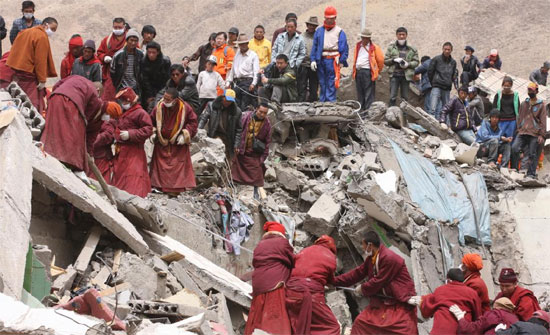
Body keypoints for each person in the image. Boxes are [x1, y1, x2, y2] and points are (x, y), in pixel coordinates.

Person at [333, 231, 417, 334]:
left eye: (363, 245)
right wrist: (334, 282)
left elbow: (379, 281)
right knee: (361, 322)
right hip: (384, 302)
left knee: (404, 329)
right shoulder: (372, 259)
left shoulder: (389, 257)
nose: (363, 248)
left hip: (399, 302)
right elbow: (357, 273)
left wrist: (362, 289)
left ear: (370, 245)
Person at [41, 75, 104, 174]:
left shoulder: (76, 77)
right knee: (72, 138)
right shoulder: (96, 97)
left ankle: (48, 153)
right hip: (72, 103)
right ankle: (69, 164)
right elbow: (85, 120)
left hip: (55, 98)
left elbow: (57, 84)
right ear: (98, 91)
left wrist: (57, 95)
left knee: (53, 129)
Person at [244, 221, 294, 335]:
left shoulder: (260, 245)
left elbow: (256, 263)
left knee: (258, 315)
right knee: (273, 316)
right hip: (274, 283)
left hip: (258, 284)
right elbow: (292, 261)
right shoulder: (283, 243)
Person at [285, 235, 340, 335]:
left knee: (295, 322)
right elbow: (330, 280)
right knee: (332, 327)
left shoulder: (304, 250)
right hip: (310, 294)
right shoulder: (330, 257)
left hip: (290, 291)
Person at [150, 87, 198, 195]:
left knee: (177, 166)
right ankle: (158, 187)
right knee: (160, 167)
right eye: (164, 98)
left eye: (168, 100)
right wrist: (153, 133)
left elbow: (193, 123)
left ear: (175, 100)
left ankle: (175, 190)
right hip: (161, 142)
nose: (165, 101)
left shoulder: (185, 108)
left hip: (178, 143)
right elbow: (151, 120)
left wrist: (185, 135)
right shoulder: (159, 106)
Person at [108, 87, 153, 198]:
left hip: (134, 151)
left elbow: (148, 129)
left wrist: (131, 134)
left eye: (125, 101)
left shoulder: (140, 113)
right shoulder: (126, 112)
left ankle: (134, 197)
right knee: (122, 174)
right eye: (122, 101)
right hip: (122, 150)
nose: (123, 103)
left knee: (133, 175)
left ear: (130, 101)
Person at [6, 17, 57, 113]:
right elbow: (40, 60)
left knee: (18, 100)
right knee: (31, 103)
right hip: (29, 75)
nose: (52, 32)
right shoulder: (41, 36)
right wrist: (42, 80)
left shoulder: (25, 32)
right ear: (46, 25)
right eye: (52, 29)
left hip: (18, 72)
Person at [419, 268, 482, 335]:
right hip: (462, 331)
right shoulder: (472, 293)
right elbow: (477, 316)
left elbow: (427, 308)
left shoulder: (440, 290)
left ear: (448, 280)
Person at [231, 102, 271, 199]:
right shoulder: (246, 117)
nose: (262, 115)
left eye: (265, 113)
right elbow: (238, 131)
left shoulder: (267, 124)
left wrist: (263, 158)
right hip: (241, 150)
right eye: (261, 112)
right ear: (256, 109)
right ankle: (233, 188)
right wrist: (236, 145)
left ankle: (255, 191)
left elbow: (268, 141)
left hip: (254, 153)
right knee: (234, 169)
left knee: (257, 173)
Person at [310, 6, 349, 102]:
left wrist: (342, 60)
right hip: (321, 59)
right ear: (325, 18)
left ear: (335, 18)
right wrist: (313, 60)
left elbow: (344, 48)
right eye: (328, 18)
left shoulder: (339, 32)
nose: (329, 21)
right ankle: (322, 100)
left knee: (331, 81)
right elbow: (314, 47)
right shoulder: (319, 31)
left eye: (331, 18)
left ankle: (330, 101)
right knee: (322, 81)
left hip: (333, 60)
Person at [511, 82, 546, 179]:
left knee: (532, 153)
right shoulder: (524, 103)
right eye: (529, 90)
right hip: (522, 132)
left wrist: (541, 135)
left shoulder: (541, 105)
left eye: (532, 90)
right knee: (514, 148)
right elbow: (520, 117)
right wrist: (519, 129)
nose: (530, 92)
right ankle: (515, 170)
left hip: (534, 133)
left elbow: (543, 121)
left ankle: (531, 174)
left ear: (536, 91)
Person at [198, 89, 242, 159]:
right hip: (214, 135)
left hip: (228, 138)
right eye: (227, 100)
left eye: (230, 101)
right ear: (223, 97)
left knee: (226, 161)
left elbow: (239, 130)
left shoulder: (237, 112)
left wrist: (236, 145)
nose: (228, 102)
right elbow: (203, 119)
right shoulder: (211, 106)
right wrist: (199, 131)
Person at [384, 27, 419, 107]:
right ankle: (391, 114)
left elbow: (416, 62)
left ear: (406, 35)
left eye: (403, 34)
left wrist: (408, 64)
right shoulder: (391, 47)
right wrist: (394, 60)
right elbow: (385, 61)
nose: (401, 36)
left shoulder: (412, 49)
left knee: (405, 98)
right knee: (392, 97)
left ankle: (404, 117)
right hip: (394, 75)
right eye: (400, 34)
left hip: (406, 76)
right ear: (396, 35)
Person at [352, 28, 384, 112]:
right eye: (363, 37)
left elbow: (380, 60)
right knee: (360, 93)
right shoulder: (358, 45)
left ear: (369, 38)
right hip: (358, 71)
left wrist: (377, 71)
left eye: (366, 38)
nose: (364, 39)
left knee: (368, 94)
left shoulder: (374, 47)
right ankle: (361, 111)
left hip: (367, 72)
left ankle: (367, 113)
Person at [226, 34, 260, 111]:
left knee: (245, 105)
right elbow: (233, 70)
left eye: (245, 43)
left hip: (248, 82)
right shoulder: (237, 54)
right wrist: (228, 82)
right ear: (239, 45)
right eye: (241, 44)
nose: (243, 45)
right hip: (237, 83)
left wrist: (253, 83)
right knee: (233, 103)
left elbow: (256, 72)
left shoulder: (253, 55)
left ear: (248, 44)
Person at [97, 17, 127, 101]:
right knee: (108, 96)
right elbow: (99, 53)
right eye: (115, 27)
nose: (117, 29)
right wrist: (104, 57)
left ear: (124, 27)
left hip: (125, 73)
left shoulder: (129, 40)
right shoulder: (107, 40)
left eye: (119, 28)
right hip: (109, 73)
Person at [452, 297, 519, 335]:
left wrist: (460, 317)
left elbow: (472, 330)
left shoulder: (494, 314)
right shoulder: (516, 320)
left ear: (497, 306)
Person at [91, 102, 122, 183]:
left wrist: (91, 141)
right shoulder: (105, 122)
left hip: (102, 157)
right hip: (99, 155)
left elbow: (105, 136)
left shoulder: (109, 124)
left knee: (96, 180)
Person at [428, 42, 458, 120]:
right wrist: (434, 82)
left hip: (447, 88)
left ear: (451, 50)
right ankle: (430, 124)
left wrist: (450, 82)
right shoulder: (436, 59)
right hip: (437, 86)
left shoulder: (453, 62)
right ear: (442, 49)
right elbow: (430, 72)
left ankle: (445, 125)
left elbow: (453, 74)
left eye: (449, 49)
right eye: (445, 49)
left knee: (445, 109)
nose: (447, 51)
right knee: (432, 108)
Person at [111, 29, 143, 96]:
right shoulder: (118, 55)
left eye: (135, 41)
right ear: (127, 40)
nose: (133, 43)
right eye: (131, 40)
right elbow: (113, 72)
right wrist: (117, 85)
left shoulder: (141, 54)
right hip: (122, 88)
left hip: (136, 88)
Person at [140, 41, 171, 111]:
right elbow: (145, 81)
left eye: (153, 52)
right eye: (149, 52)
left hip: (162, 88)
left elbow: (168, 79)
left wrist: (162, 94)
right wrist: (150, 95)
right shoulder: (143, 61)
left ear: (158, 52)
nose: (151, 55)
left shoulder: (165, 61)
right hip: (148, 90)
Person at [298, 16, 319, 102]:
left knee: (314, 86)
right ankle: (301, 103)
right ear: (307, 25)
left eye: (313, 25)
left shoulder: (318, 36)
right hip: (303, 64)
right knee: (301, 85)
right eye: (310, 25)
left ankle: (313, 103)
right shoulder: (301, 36)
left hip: (314, 65)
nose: (311, 27)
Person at [492, 76, 520, 140]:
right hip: (501, 121)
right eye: (505, 86)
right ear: (502, 85)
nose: (506, 88)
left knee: (510, 139)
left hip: (512, 121)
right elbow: (494, 108)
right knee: (499, 138)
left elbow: (518, 108)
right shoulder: (498, 95)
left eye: (508, 86)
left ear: (511, 85)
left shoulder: (515, 95)